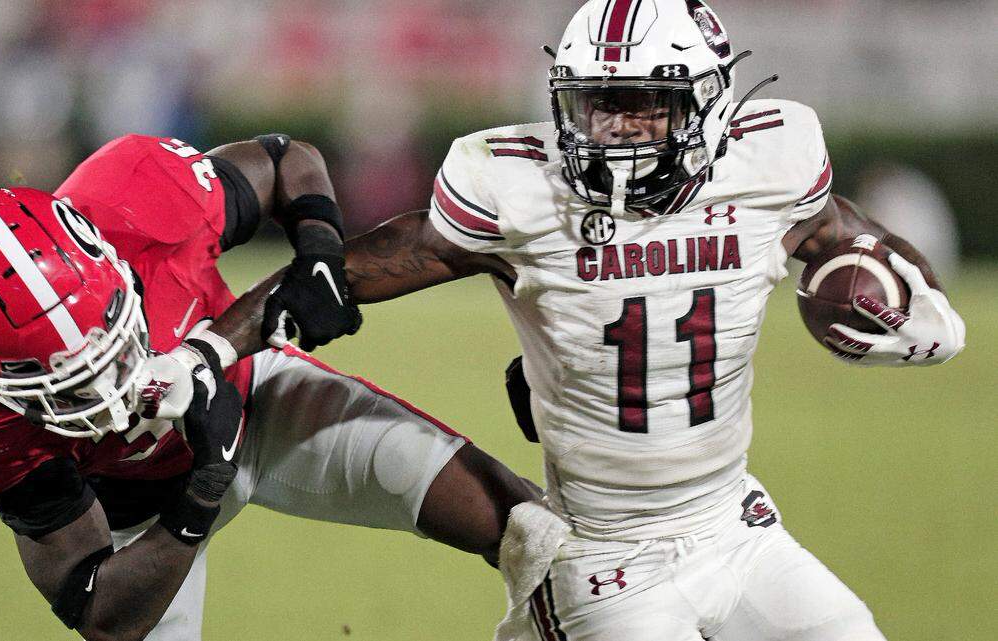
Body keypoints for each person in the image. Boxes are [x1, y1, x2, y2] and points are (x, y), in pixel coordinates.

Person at [184, 1, 967, 640]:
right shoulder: (520, 192)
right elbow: (342, 274)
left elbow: (841, 232)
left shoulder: (768, 166)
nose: (613, 128)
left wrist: (917, 298)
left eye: (641, 105)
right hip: (603, 549)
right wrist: (208, 348)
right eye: (596, 103)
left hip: (734, 522)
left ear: (708, 105)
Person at [0, 133, 537, 641]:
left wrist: (319, 250)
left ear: (111, 259)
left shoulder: (142, 200)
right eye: (69, 381)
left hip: (256, 398)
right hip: (139, 512)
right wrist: (202, 492)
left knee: (528, 529)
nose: (108, 386)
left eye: (111, 340)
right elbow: (103, 613)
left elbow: (289, 160)